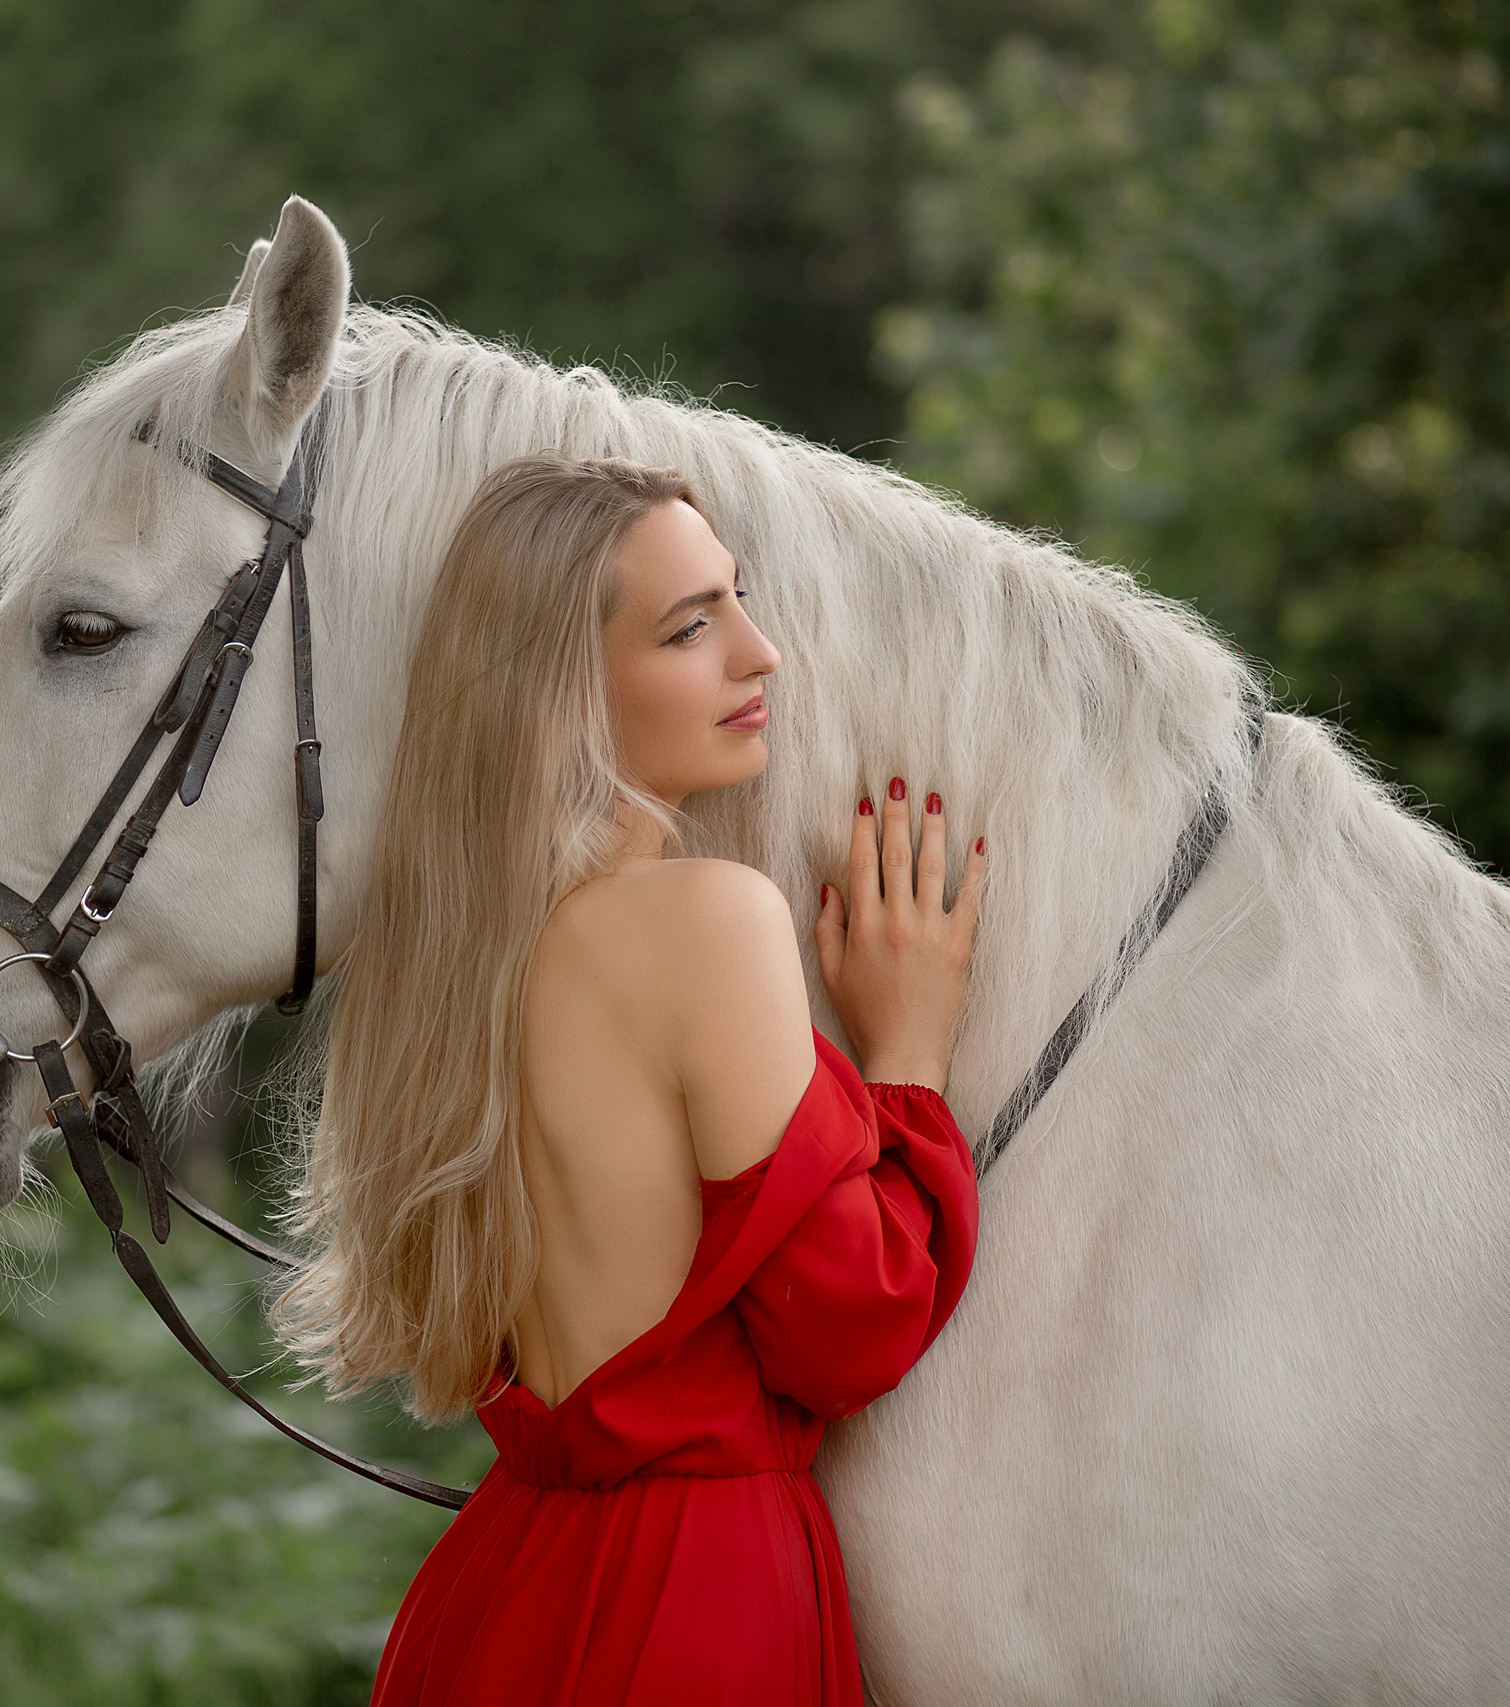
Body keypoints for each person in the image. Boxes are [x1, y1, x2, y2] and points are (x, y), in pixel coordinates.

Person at [274, 453, 984, 1706]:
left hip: (493, 1591)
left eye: (736, 602)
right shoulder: (706, 918)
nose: (759, 654)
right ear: (562, 692)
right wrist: (911, 1050)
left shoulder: (441, 967)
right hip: (692, 1600)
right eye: (692, 628)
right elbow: (849, 1325)